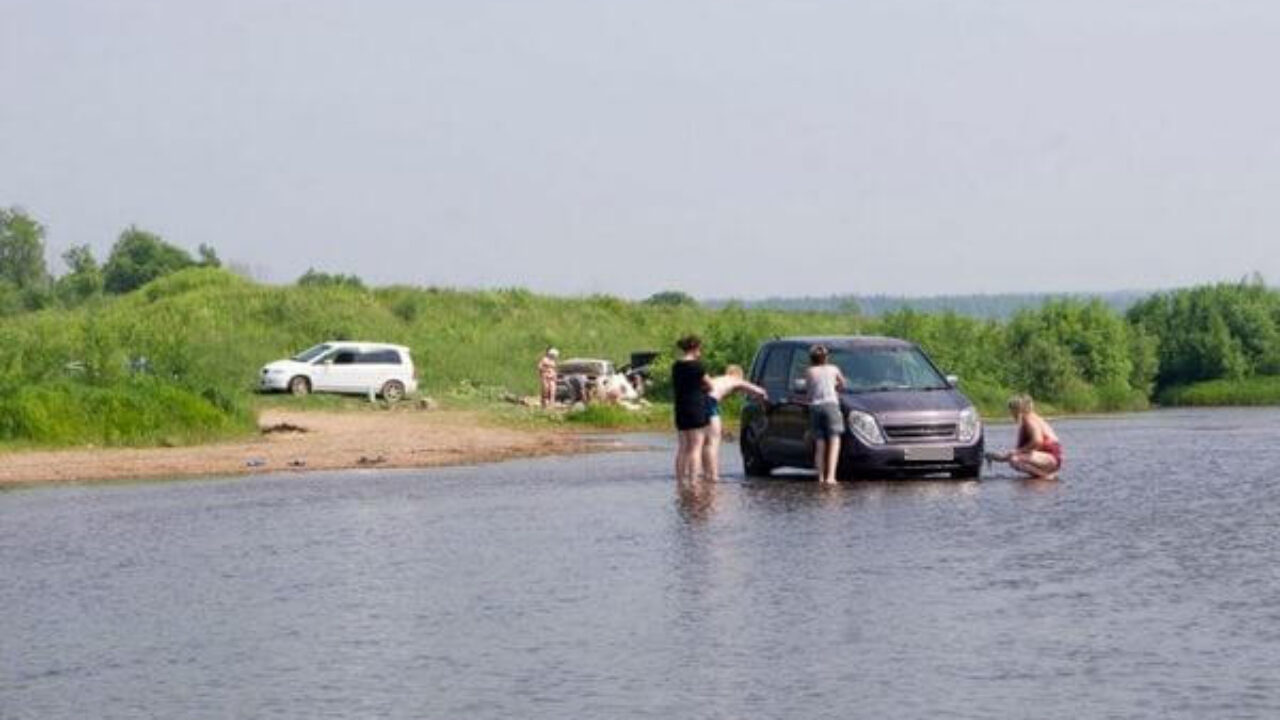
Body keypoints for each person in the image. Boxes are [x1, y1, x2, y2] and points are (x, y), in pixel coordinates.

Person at [701, 364, 769, 481]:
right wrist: (765, 401)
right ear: (738, 375)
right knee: (713, 443)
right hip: (710, 403)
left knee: (705, 442)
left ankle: (706, 473)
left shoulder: (719, 379)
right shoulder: (735, 380)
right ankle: (714, 476)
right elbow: (758, 391)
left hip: (698, 403)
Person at [989, 394, 1063, 479]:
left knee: (1015, 460)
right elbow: (1020, 452)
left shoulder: (1029, 419)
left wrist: (1018, 451)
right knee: (1015, 457)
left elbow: (1038, 441)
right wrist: (997, 458)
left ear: (1017, 409)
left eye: (1012, 410)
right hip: (1048, 458)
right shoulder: (1028, 420)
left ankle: (1045, 476)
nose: (1011, 414)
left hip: (1051, 458)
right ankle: (1042, 476)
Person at [672, 335, 712, 482]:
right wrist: (703, 388)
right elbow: (710, 385)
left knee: (682, 447)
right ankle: (693, 480)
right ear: (694, 348)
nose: (700, 353)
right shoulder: (697, 366)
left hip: (681, 408)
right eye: (699, 349)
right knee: (696, 447)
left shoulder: (676, 366)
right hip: (696, 408)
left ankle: (679, 481)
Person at [806, 345, 848, 485]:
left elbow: (809, 392)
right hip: (831, 405)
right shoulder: (834, 369)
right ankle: (831, 477)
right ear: (826, 357)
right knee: (835, 440)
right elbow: (843, 384)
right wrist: (835, 386)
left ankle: (820, 477)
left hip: (815, 407)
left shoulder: (809, 371)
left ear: (811, 358)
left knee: (819, 443)